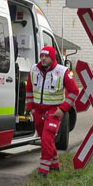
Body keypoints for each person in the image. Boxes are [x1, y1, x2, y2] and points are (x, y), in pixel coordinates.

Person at [26, 46, 79, 178]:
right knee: (46, 139)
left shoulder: (62, 71)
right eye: (42, 56)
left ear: (53, 57)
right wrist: (31, 108)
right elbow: (29, 89)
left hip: (54, 111)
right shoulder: (34, 70)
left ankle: (43, 171)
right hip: (38, 111)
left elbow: (74, 92)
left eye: (46, 56)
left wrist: (63, 109)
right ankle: (55, 166)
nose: (43, 59)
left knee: (47, 139)